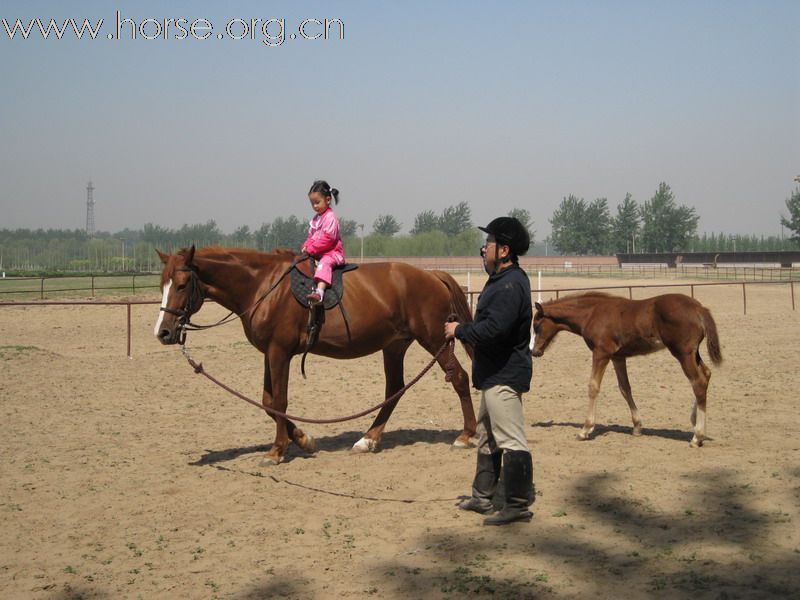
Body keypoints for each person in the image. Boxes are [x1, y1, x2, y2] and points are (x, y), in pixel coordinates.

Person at [444, 216, 535, 525]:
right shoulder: (501, 281)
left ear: (505, 250)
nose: (483, 249)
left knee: (511, 439)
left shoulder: (510, 285)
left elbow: (494, 330)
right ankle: (483, 497)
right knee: (487, 436)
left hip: (504, 375)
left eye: (489, 244)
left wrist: (459, 331)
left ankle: (518, 505)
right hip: (494, 373)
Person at [301, 180, 345, 304]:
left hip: (332, 253)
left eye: (317, 202)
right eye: (312, 203)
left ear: (328, 200)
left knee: (324, 263)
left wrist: (311, 249)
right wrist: (306, 246)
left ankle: (319, 293)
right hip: (318, 253)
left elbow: (328, 240)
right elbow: (311, 236)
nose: (315, 206)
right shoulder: (315, 220)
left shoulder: (331, 218)